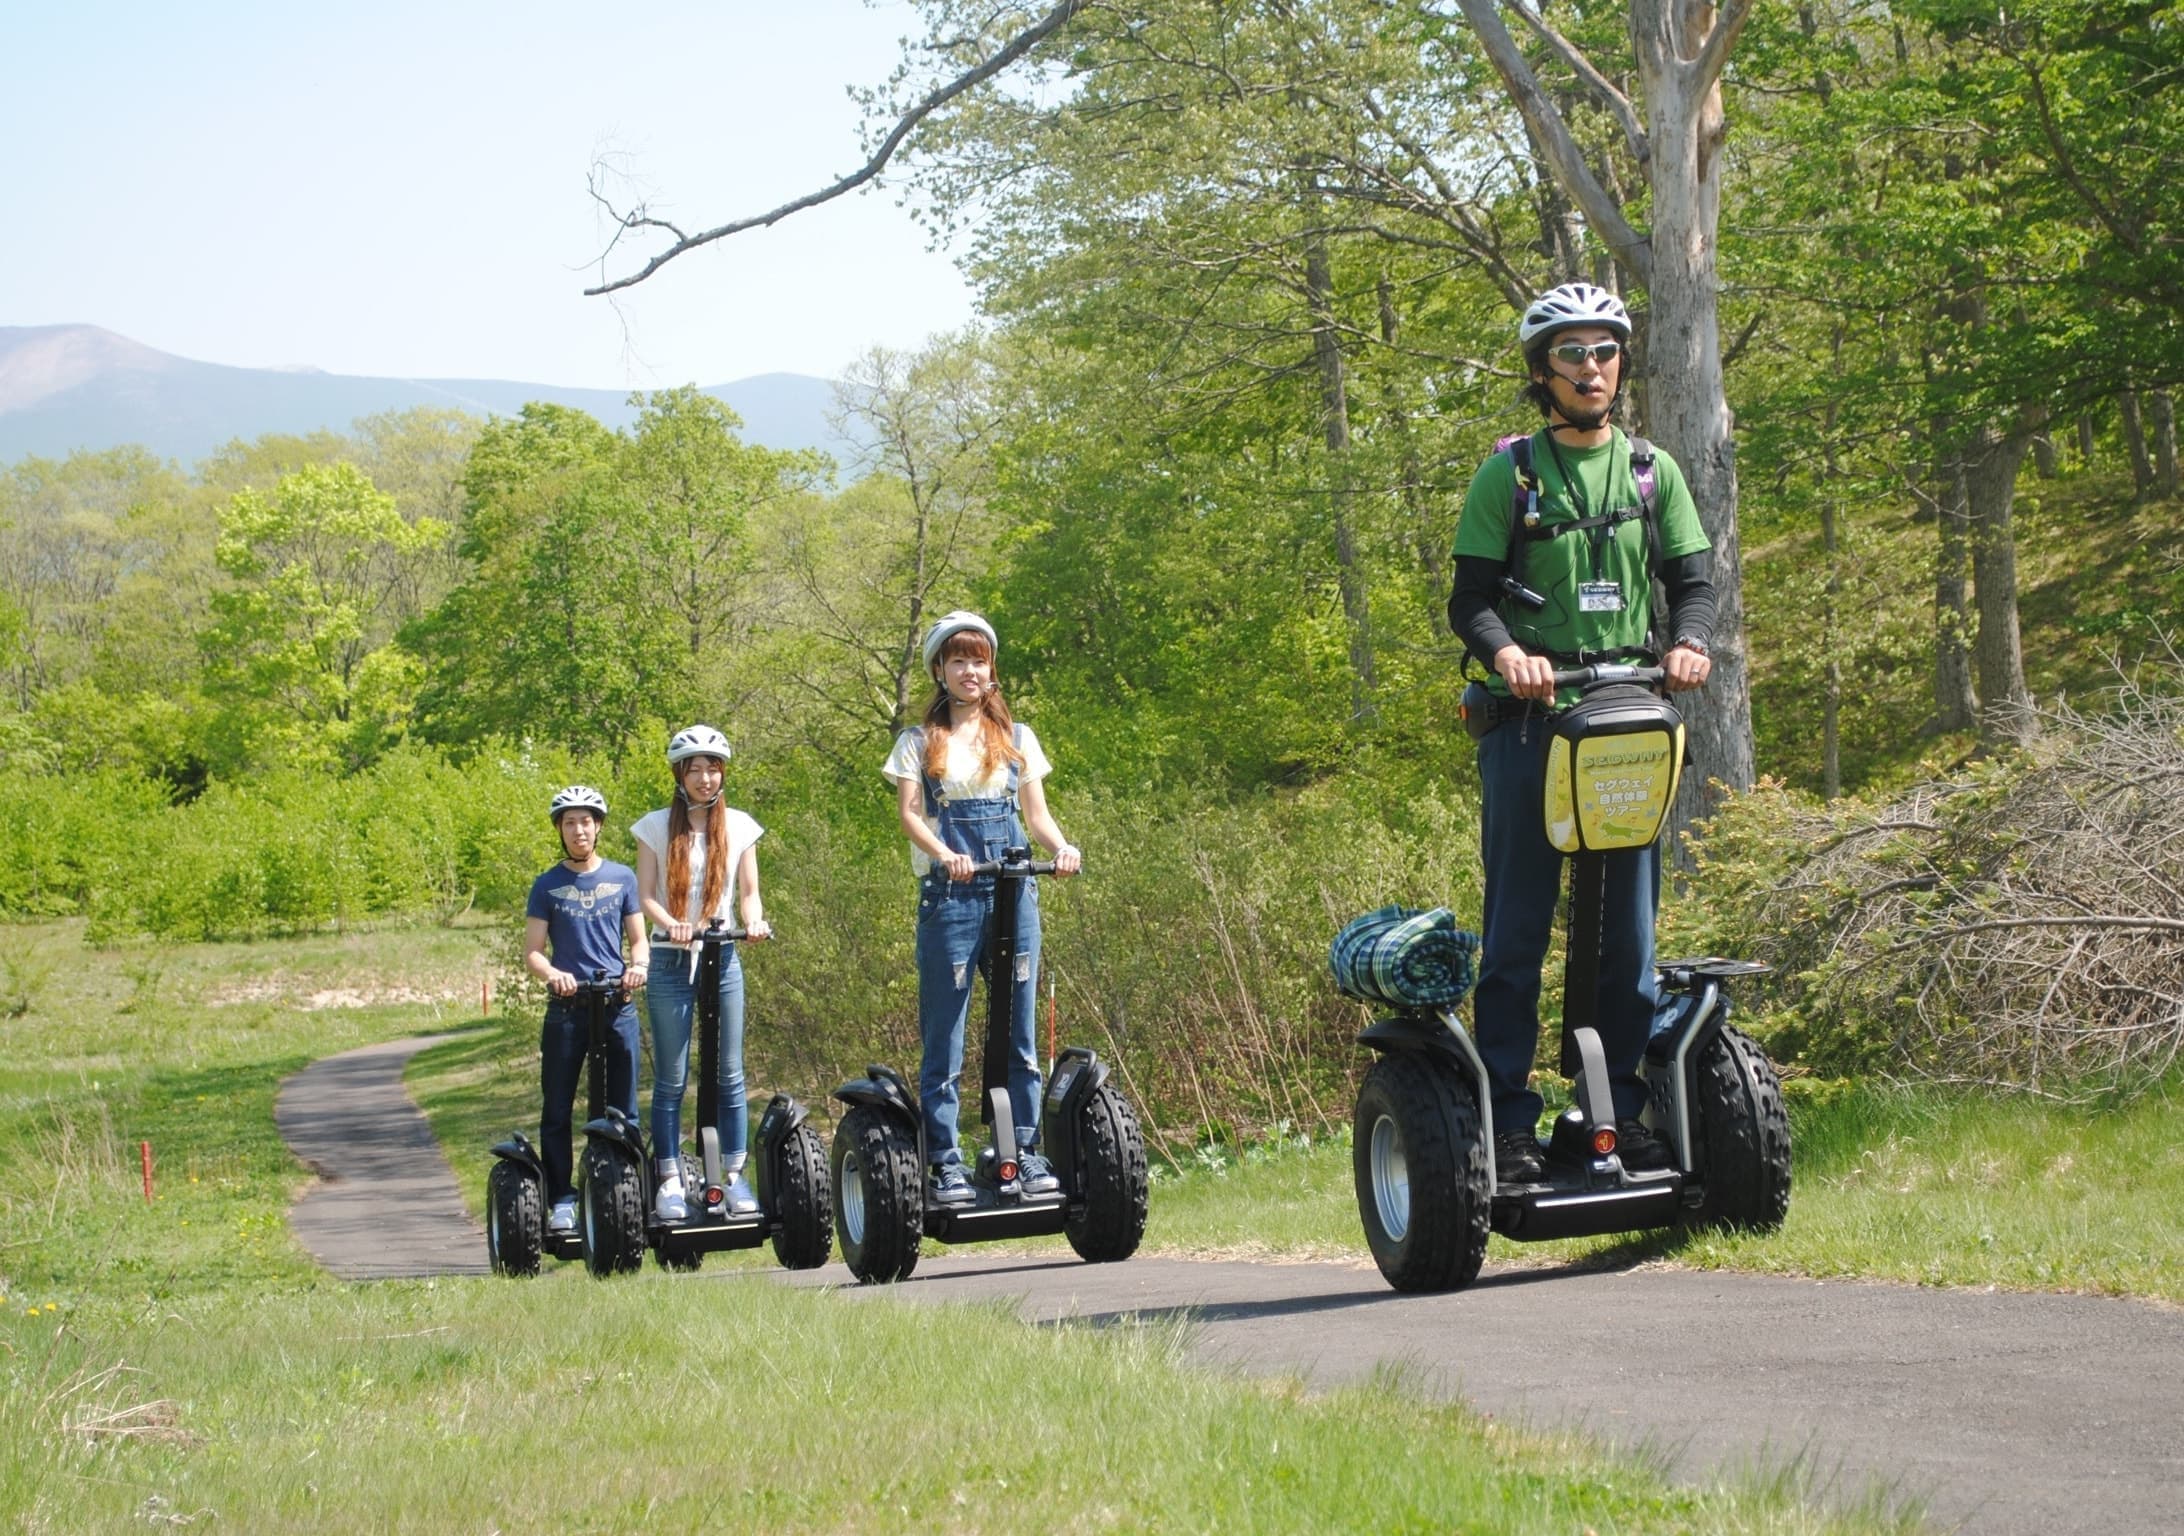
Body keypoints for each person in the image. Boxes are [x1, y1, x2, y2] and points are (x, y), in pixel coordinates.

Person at [1445, 281, 1719, 1184]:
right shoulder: (1511, 472)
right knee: (1519, 926)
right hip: (1528, 724)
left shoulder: (1653, 471)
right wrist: (1510, 653)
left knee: (1628, 934)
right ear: (1542, 371)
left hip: (1628, 720)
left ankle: (1614, 1112)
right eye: (1571, 352)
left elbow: (1692, 584)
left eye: (1604, 350)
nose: (1591, 366)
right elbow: (1470, 599)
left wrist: (1689, 643)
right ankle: (1510, 1122)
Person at [882, 611, 1082, 1207]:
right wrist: (946, 854)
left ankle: (1023, 1150)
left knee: (1020, 1030)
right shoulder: (918, 743)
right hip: (952, 896)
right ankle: (943, 1161)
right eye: (959, 660)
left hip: (1015, 889)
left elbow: (1037, 816)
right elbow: (912, 816)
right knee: (946, 1037)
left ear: (992, 670)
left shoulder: (1018, 738)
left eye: (980, 660)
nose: (971, 671)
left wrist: (1062, 848)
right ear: (940, 671)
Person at [632, 725, 773, 1220]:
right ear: (680, 774)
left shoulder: (739, 825)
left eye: (713, 768)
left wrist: (753, 921)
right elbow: (645, 894)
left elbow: (749, 891)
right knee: (672, 1077)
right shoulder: (653, 827)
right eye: (696, 769)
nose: (706, 778)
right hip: (671, 961)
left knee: (731, 1074)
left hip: (722, 954)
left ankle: (734, 1175)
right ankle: (670, 1178)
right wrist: (672, 925)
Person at [523, 785, 648, 1235]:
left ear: (599, 828)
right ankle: (561, 1199)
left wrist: (640, 967)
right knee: (557, 1107)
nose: (580, 829)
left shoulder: (623, 878)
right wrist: (553, 974)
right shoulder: (548, 884)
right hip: (567, 1008)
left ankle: (629, 1193)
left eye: (587, 821)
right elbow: (533, 951)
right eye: (571, 822)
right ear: (560, 829)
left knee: (624, 1109)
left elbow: (638, 940)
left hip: (616, 1004)